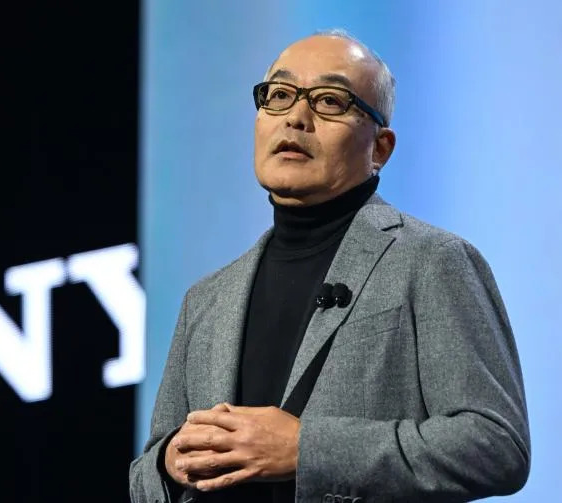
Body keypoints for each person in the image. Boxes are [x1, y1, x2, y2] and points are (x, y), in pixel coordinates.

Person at [129, 30, 530, 503]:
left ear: (380, 148)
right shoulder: (206, 300)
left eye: (329, 101)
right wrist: (167, 462)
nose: (296, 118)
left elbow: (496, 443)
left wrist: (306, 449)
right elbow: (145, 475)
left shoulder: (432, 261)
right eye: (279, 95)